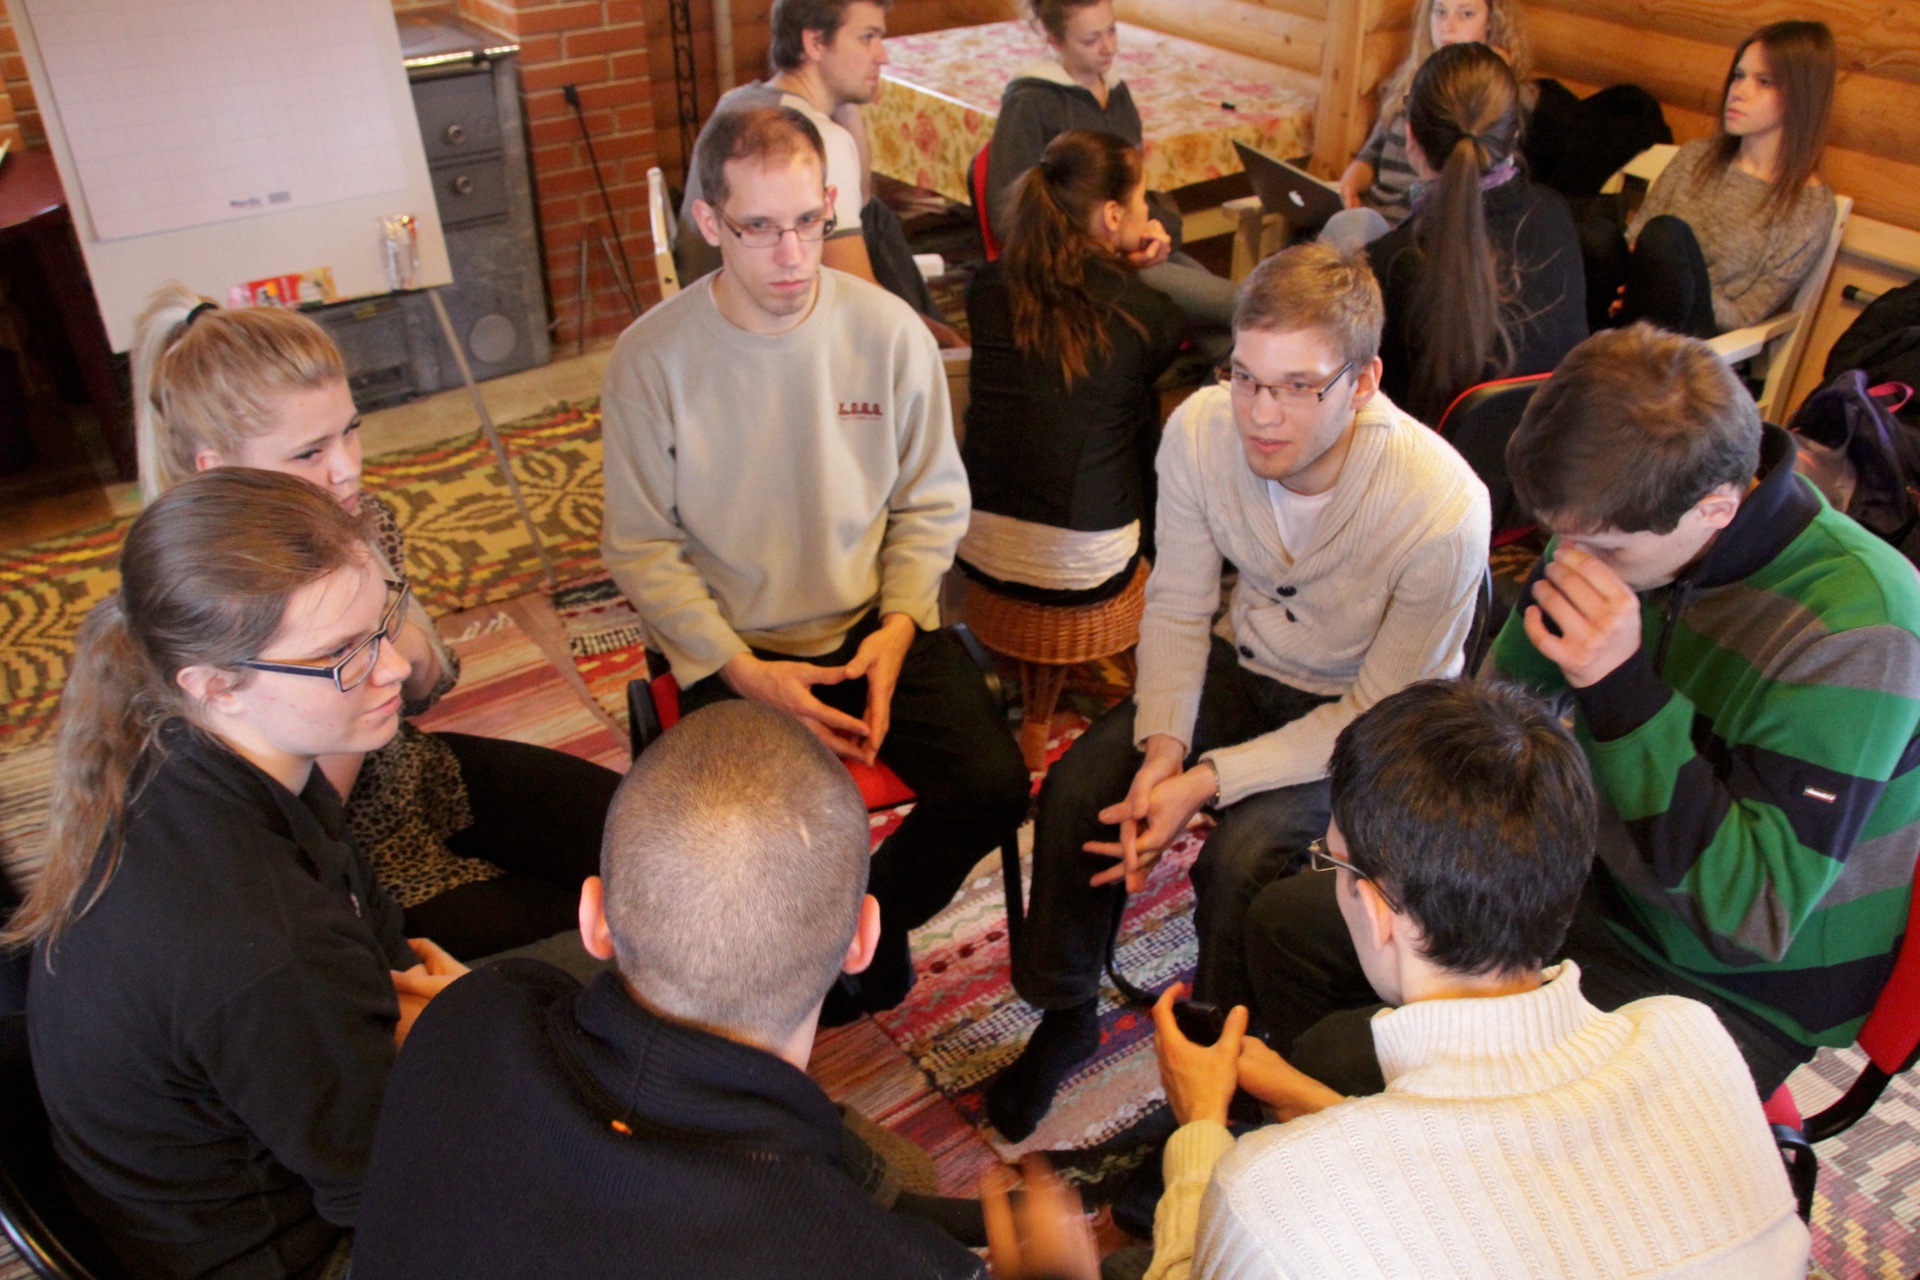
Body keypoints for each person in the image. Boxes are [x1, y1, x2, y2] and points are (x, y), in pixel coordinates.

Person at [1252, 324, 1920, 1102]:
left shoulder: (1862, 625)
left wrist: (1622, 689)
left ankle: (1350, 1136)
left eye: (1605, 550)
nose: (1573, 561)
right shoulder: (1614, 518)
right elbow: (1499, 721)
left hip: (1730, 984)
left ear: (1715, 508)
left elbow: (1750, 917)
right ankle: (1276, 1116)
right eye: (1558, 537)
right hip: (1592, 885)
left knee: (1345, 1060)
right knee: (1289, 924)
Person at [984, 243, 1490, 1141]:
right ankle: (1066, 1011)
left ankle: (1217, 1084)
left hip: (1372, 721)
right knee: (1077, 790)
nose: (1259, 413)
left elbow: (1374, 714)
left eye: (1297, 387)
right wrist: (1164, 750)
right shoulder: (1200, 431)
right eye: (1246, 377)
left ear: (1364, 382)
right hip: (1249, 662)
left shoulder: (1442, 505)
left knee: (1242, 861)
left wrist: (1207, 780)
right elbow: (1180, 605)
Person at [1137, 679, 1809, 1279]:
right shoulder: (1691, 1034)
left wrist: (1200, 1130)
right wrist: (1312, 1102)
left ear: (1376, 910)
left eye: (1332, 863)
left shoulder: (1266, 1198)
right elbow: (1504, 1172)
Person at [600, 105, 1030, 1025]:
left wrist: (900, 626)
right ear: (710, 222)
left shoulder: (889, 332)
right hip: (735, 646)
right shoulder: (650, 359)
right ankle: (832, 944)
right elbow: (639, 545)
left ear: (831, 203)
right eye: (759, 228)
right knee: (743, 845)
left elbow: (930, 503)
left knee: (995, 787)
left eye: (808, 221)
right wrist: (740, 670)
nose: (793, 255)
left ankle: (847, 931)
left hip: (874, 624)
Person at [9, 469, 471, 1280]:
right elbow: (402, 1196)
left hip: (286, 1157)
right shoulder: (263, 945)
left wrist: (430, 1021)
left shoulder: (196, 750)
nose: (395, 666)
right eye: (339, 655)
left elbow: (379, 939)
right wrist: (467, 1033)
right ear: (215, 684)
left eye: (382, 623)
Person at [352, 702, 987, 1279]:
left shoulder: (470, 1013)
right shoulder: (886, 1260)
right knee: (906, 1168)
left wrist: (474, 1007)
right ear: (863, 940)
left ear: (593, 918)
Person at [131, 287, 623, 960]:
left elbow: (425, 681)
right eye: (309, 453)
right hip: (333, 857)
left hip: (408, 772)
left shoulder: (362, 520)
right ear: (218, 469)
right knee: (592, 938)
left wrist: (392, 657)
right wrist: (390, 659)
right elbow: (302, 817)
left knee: (647, 836)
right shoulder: (190, 604)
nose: (349, 467)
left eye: (351, 429)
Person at [959, 130, 1185, 605]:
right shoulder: (1147, 312)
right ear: (1113, 215)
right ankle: (1174, 573)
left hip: (974, 540)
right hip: (1088, 562)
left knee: (1094, 400)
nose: (1149, 212)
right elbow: (1112, 320)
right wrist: (1134, 270)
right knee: (1136, 408)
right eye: (1143, 199)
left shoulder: (987, 288)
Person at [676, 0, 963, 346]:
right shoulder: (810, 142)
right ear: (814, 42)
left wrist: (844, 102)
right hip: (771, 335)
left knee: (874, 217)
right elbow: (860, 299)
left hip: (709, 315)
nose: (882, 56)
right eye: (867, 38)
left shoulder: (738, 101)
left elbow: (862, 199)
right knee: (934, 334)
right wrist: (949, 341)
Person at [983, 0, 1236, 352]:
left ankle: (1237, 377)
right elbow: (1008, 216)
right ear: (1055, 40)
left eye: (1112, 32)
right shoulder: (1031, 102)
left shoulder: (1118, 94)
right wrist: (1114, 245)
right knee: (1243, 308)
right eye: (1091, 40)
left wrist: (1156, 232)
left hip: (1127, 244)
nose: (1108, 48)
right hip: (1082, 263)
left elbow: (1134, 191)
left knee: (1231, 321)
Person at [1367, 42, 1585, 425]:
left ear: (1410, 136)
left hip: (1434, 463)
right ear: (1515, 131)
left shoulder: (1391, 265)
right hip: (1547, 457)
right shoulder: (1554, 216)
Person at [1587, 21, 1837, 337]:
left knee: (1667, 237)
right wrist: (1636, 286)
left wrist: (1665, 285)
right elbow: (1634, 239)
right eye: (1738, 76)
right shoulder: (1695, 156)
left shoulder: (1810, 207)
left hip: (1700, 341)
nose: (1738, 92)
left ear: (1802, 97)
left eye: (1763, 82)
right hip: (1629, 311)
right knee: (1595, 236)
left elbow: (1745, 315)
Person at [1326, 0, 1534, 252]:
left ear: (1491, 22)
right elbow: (1371, 154)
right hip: (1373, 212)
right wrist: (1347, 188)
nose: (1448, 25)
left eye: (1466, 14)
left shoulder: (1494, 100)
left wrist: (1494, 69)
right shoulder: (1408, 79)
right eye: (1440, 12)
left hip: (1419, 225)